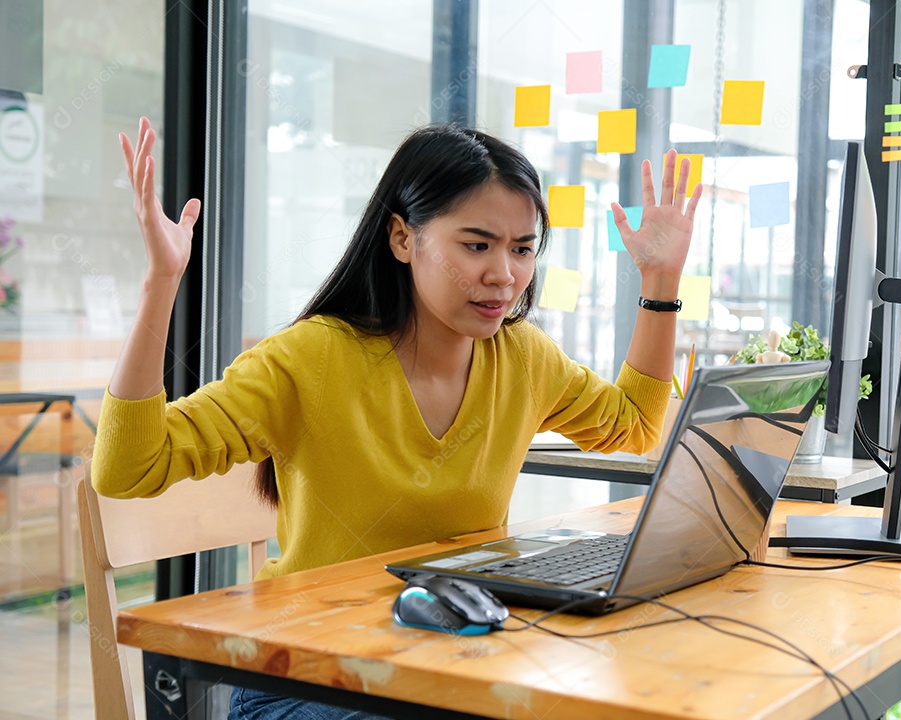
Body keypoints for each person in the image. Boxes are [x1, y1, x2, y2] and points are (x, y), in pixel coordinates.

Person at [93, 117, 702, 719]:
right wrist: (163, 281)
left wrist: (660, 279)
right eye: (476, 244)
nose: (504, 274)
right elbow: (129, 469)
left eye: (522, 250)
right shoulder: (312, 357)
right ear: (403, 238)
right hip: (307, 677)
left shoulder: (522, 357)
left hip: (450, 663)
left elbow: (633, 425)